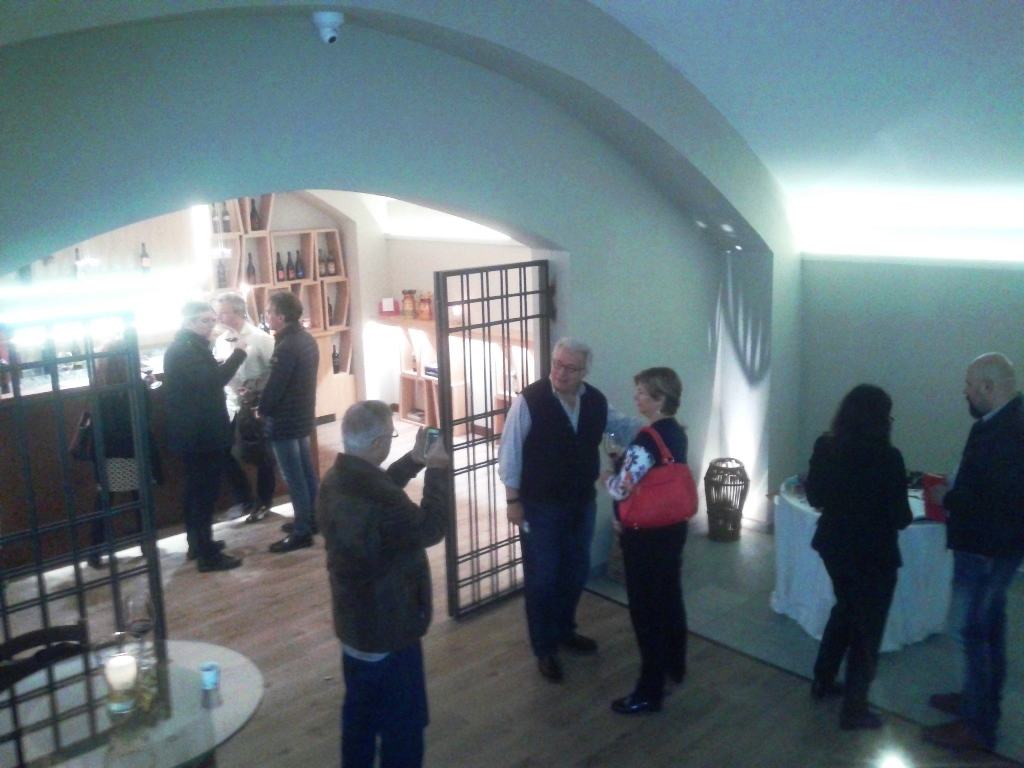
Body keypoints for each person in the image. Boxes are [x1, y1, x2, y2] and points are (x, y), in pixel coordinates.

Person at [317, 400, 449, 768]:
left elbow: (380, 486)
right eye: (391, 435)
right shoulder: (383, 502)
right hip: (390, 625)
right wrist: (438, 471)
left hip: (353, 621)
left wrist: (414, 460)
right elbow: (431, 528)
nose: (392, 440)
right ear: (377, 444)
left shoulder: (335, 480)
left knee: (359, 715)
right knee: (403, 725)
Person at [498, 337, 637, 682]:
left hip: (580, 504)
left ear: (584, 371)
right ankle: (544, 648)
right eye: (557, 364)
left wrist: (659, 431)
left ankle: (564, 631)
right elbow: (510, 454)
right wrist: (513, 501)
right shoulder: (529, 401)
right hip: (540, 506)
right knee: (543, 578)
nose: (560, 372)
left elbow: (624, 428)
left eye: (570, 368)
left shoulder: (595, 401)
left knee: (575, 572)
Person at [922, 353, 1024, 753]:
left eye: (969, 384)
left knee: (975, 634)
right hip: (995, 547)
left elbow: (996, 502)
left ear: (988, 387)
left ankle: (978, 728)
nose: (964, 391)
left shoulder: (1008, 431)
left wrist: (948, 498)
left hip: (986, 549)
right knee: (989, 629)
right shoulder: (1003, 421)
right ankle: (976, 701)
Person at [804, 384, 912, 730]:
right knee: (868, 630)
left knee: (846, 610)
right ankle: (854, 708)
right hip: (874, 555)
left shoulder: (826, 446)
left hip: (835, 546)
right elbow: (901, 517)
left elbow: (815, 496)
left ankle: (823, 679)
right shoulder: (889, 458)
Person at [604, 367, 690, 714]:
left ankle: (649, 691)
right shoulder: (676, 432)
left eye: (641, 392)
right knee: (669, 599)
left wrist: (606, 478)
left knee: (646, 611)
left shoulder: (646, 438)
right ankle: (675, 667)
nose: (636, 397)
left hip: (646, 535)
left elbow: (622, 488)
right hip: (673, 527)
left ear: (659, 398)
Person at [163, 300, 246, 572]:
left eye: (212, 320)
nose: (211, 325)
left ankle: (198, 544)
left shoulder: (190, 346)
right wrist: (239, 354)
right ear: (188, 322)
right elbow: (212, 382)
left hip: (197, 433)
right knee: (203, 494)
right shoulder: (185, 350)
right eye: (204, 321)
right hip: (200, 435)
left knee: (197, 492)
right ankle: (207, 555)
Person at [87, 339, 163, 568]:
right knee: (140, 500)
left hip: (108, 452)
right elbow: (145, 415)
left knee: (104, 501)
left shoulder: (98, 384)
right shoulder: (134, 385)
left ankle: (94, 550)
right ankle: (146, 544)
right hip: (133, 449)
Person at [261, 291, 320, 553]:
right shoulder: (306, 339)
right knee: (306, 472)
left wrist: (261, 409)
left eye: (269, 312)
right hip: (303, 415)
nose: (267, 316)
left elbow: (276, 387)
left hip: (285, 420)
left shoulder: (286, 346)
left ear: (281, 316)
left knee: (294, 477)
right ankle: (313, 519)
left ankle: (302, 532)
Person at [213, 292, 276, 523]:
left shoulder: (261, 338)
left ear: (238, 312)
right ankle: (244, 499)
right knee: (224, 453)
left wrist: (256, 389)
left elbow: (275, 370)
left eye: (223, 312)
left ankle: (264, 502)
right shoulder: (221, 341)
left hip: (256, 405)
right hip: (231, 405)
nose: (219, 317)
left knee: (263, 456)